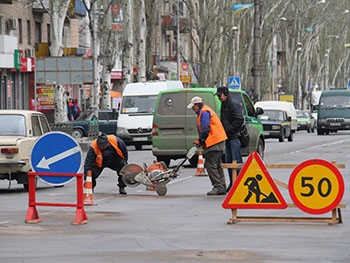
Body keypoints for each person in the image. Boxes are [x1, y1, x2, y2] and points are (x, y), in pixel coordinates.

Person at [187, 96, 227, 195]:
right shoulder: (205, 111)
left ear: (197, 105)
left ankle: (217, 186)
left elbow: (205, 128)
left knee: (210, 164)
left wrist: (201, 140)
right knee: (217, 164)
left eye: (193, 107)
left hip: (214, 141)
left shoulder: (204, 112)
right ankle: (222, 186)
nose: (193, 109)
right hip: (218, 140)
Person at [215, 86, 244, 192]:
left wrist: (230, 130)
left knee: (236, 161)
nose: (219, 98)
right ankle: (233, 183)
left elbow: (239, 119)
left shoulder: (232, 105)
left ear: (225, 94)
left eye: (220, 95)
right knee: (228, 161)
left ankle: (239, 184)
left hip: (234, 137)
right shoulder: (224, 104)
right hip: (228, 137)